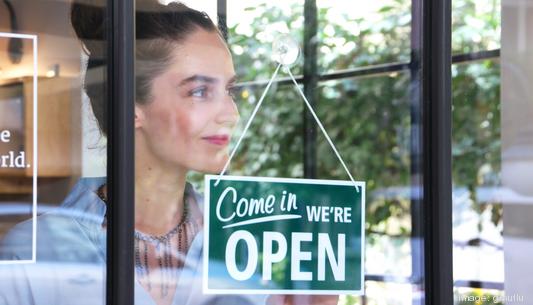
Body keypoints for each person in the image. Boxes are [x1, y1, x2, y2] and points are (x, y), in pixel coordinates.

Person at [0, 1, 338, 305]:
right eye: (201, 90)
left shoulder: (255, 240)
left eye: (229, 89)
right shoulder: (32, 252)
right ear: (131, 106)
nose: (231, 114)